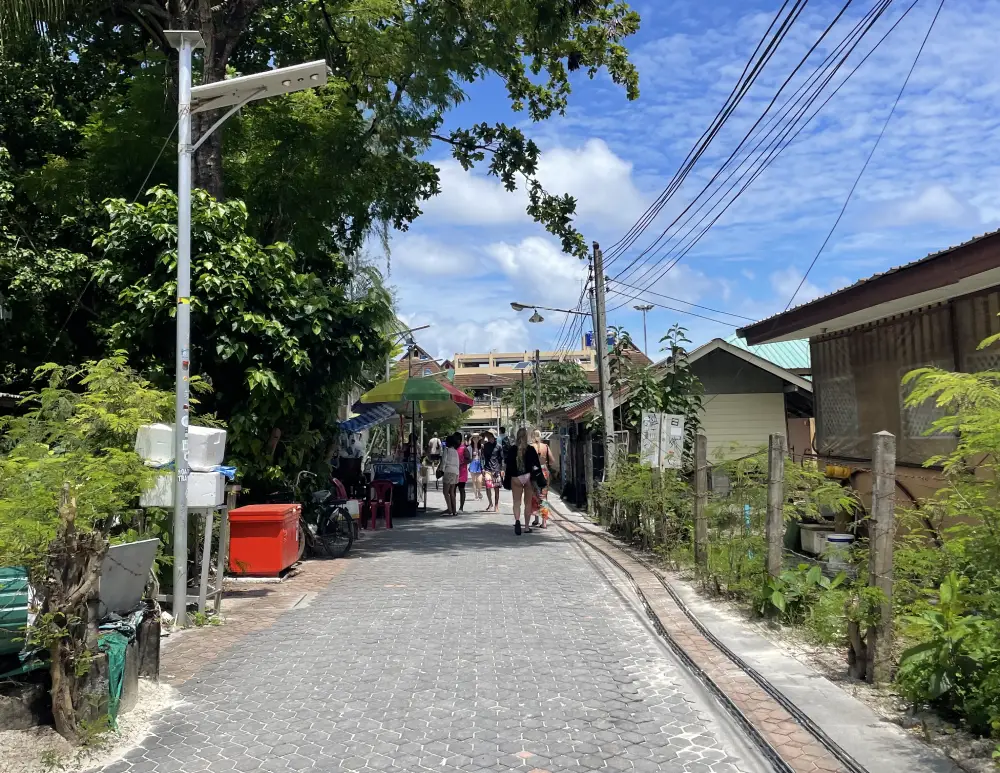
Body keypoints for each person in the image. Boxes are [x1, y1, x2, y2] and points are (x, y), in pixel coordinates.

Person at [504, 427, 542, 535]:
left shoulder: (512, 450)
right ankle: (526, 527)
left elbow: (508, 465)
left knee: (516, 502)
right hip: (528, 477)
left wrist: (507, 479)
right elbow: (536, 465)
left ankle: (517, 521)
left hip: (516, 478)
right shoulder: (531, 449)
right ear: (526, 437)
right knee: (527, 503)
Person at [530, 429, 556, 528]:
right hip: (544, 471)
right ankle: (544, 522)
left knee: (534, 495)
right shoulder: (545, 446)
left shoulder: (531, 447)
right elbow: (552, 461)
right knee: (543, 497)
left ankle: (536, 519)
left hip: (534, 472)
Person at [481, 431, 503, 513]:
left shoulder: (499, 446)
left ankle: (496, 505)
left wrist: (502, 469)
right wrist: (482, 468)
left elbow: (501, 459)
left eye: (490, 436)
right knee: (488, 486)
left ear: (494, 437)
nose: (489, 438)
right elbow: (482, 458)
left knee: (496, 488)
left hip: (496, 470)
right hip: (487, 469)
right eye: (488, 436)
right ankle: (490, 503)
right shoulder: (485, 446)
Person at [441, 435, 460, 515]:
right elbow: (458, 463)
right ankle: (454, 510)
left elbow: (444, 461)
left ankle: (449, 509)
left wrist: (441, 470)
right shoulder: (455, 451)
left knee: (445, 492)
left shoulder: (447, 450)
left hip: (448, 471)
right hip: (455, 472)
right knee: (452, 492)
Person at [455, 432, 472, 512]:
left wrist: (462, 462)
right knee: (452, 490)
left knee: (462, 489)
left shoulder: (464, 448)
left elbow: (469, 459)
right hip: (454, 472)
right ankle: (453, 506)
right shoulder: (452, 448)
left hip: (462, 472)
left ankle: (461, 507)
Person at [468, 434, 484, 501]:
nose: (475, 439)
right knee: (474, 481)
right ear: (472, 439)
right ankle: (475, 496)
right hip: (472, 463)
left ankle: (479, 492)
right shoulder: (469, 447)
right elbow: (467, 456)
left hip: (479, 463)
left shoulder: (481, 446)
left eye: (477, 438)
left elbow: (483, 456)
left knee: (479, 481)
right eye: (474, 438)